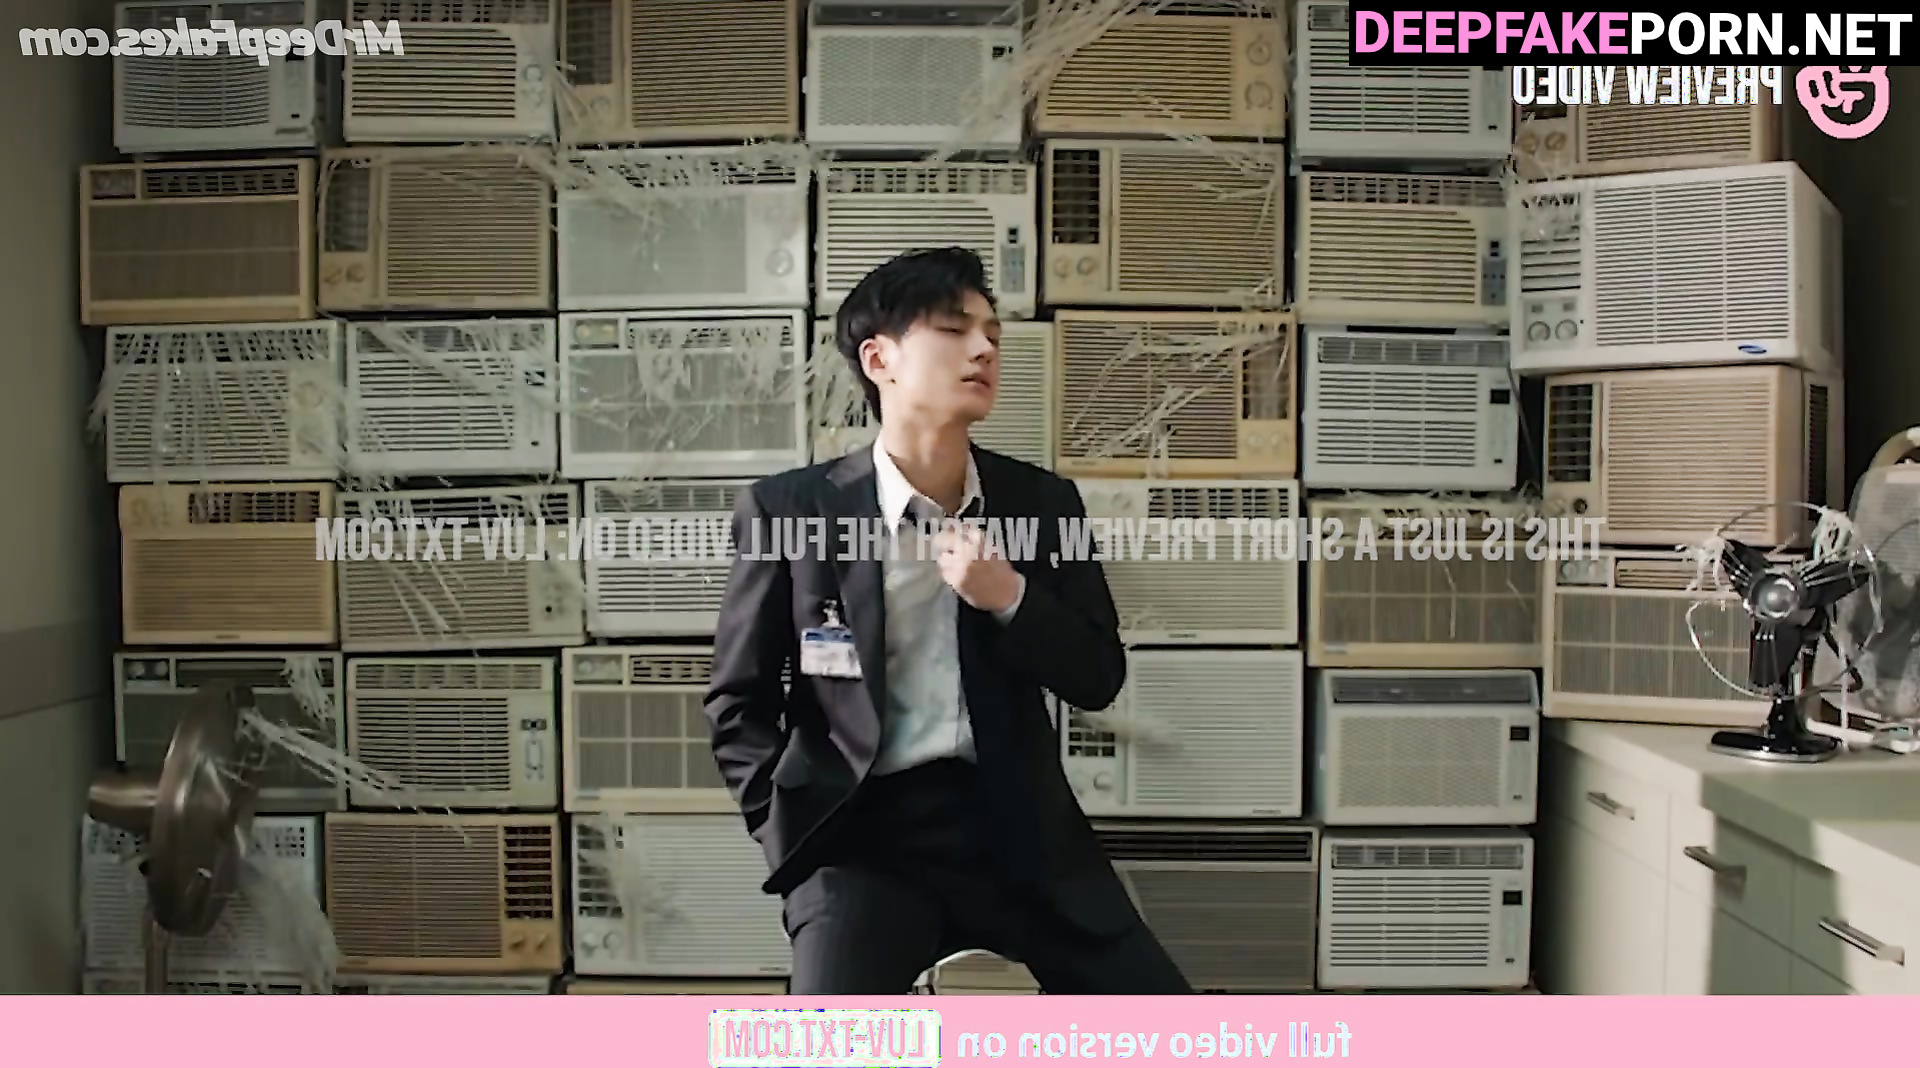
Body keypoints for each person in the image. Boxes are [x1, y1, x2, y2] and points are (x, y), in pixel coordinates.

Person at [703, 247, 1193, 995]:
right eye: (954, 328)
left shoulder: (1041, 503)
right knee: (825, 1041)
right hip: (862, 842)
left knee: (1170, 1031)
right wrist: (789, 831)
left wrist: (1009, 595)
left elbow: (1098, 676)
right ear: (879, 359)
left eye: (992, 333)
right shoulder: (790, 511)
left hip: (1021, 834)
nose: (984, 348)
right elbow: (738, 701)